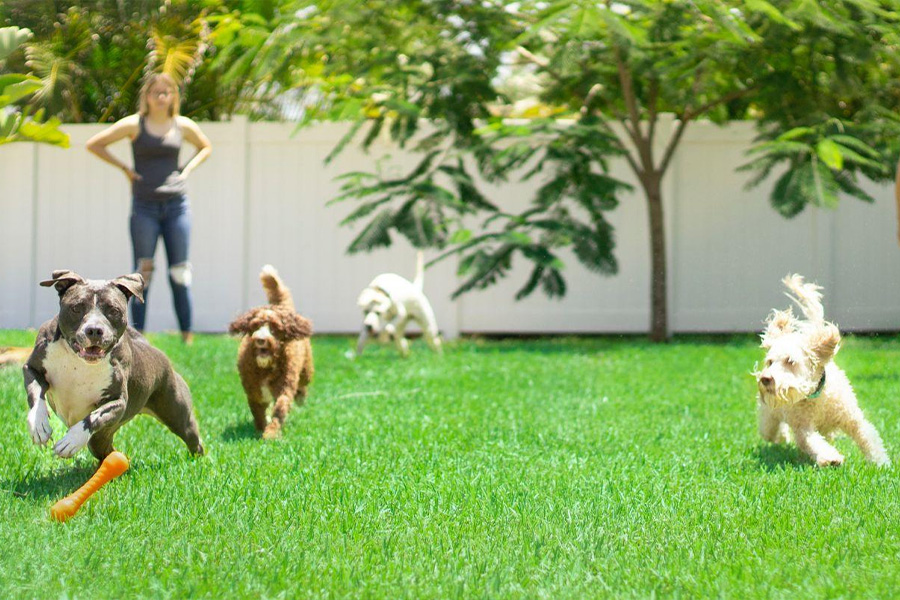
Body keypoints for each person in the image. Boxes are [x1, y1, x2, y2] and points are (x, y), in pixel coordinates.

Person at [86, 73, 212, 344]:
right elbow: (95, 144)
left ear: (173, 97)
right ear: (147, 96)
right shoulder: (135, 125)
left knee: (180, 272)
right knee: (143, 274)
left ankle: (187, 336)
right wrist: (125, 169)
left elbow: (205, 147)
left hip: (176, 206)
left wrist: (186, 170)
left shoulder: (182, 126)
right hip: (144, 207)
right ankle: (138, 337)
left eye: (166, 92)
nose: (161, 96)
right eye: (156, 92)